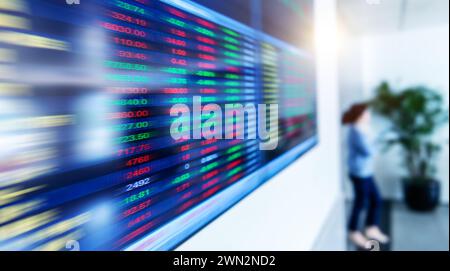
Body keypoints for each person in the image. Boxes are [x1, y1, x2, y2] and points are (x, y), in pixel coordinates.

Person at [342, 103, 390, 249]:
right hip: (359, 173)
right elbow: (369, 151)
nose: (369, 116)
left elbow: (373, 146)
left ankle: (371, 228)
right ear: (360, 115)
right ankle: (353, 231)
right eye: (367, 113)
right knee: (360, 203)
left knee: (376, 199)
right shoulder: (356, 132)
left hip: (366, 172)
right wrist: (375, 143)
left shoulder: (364, 129)